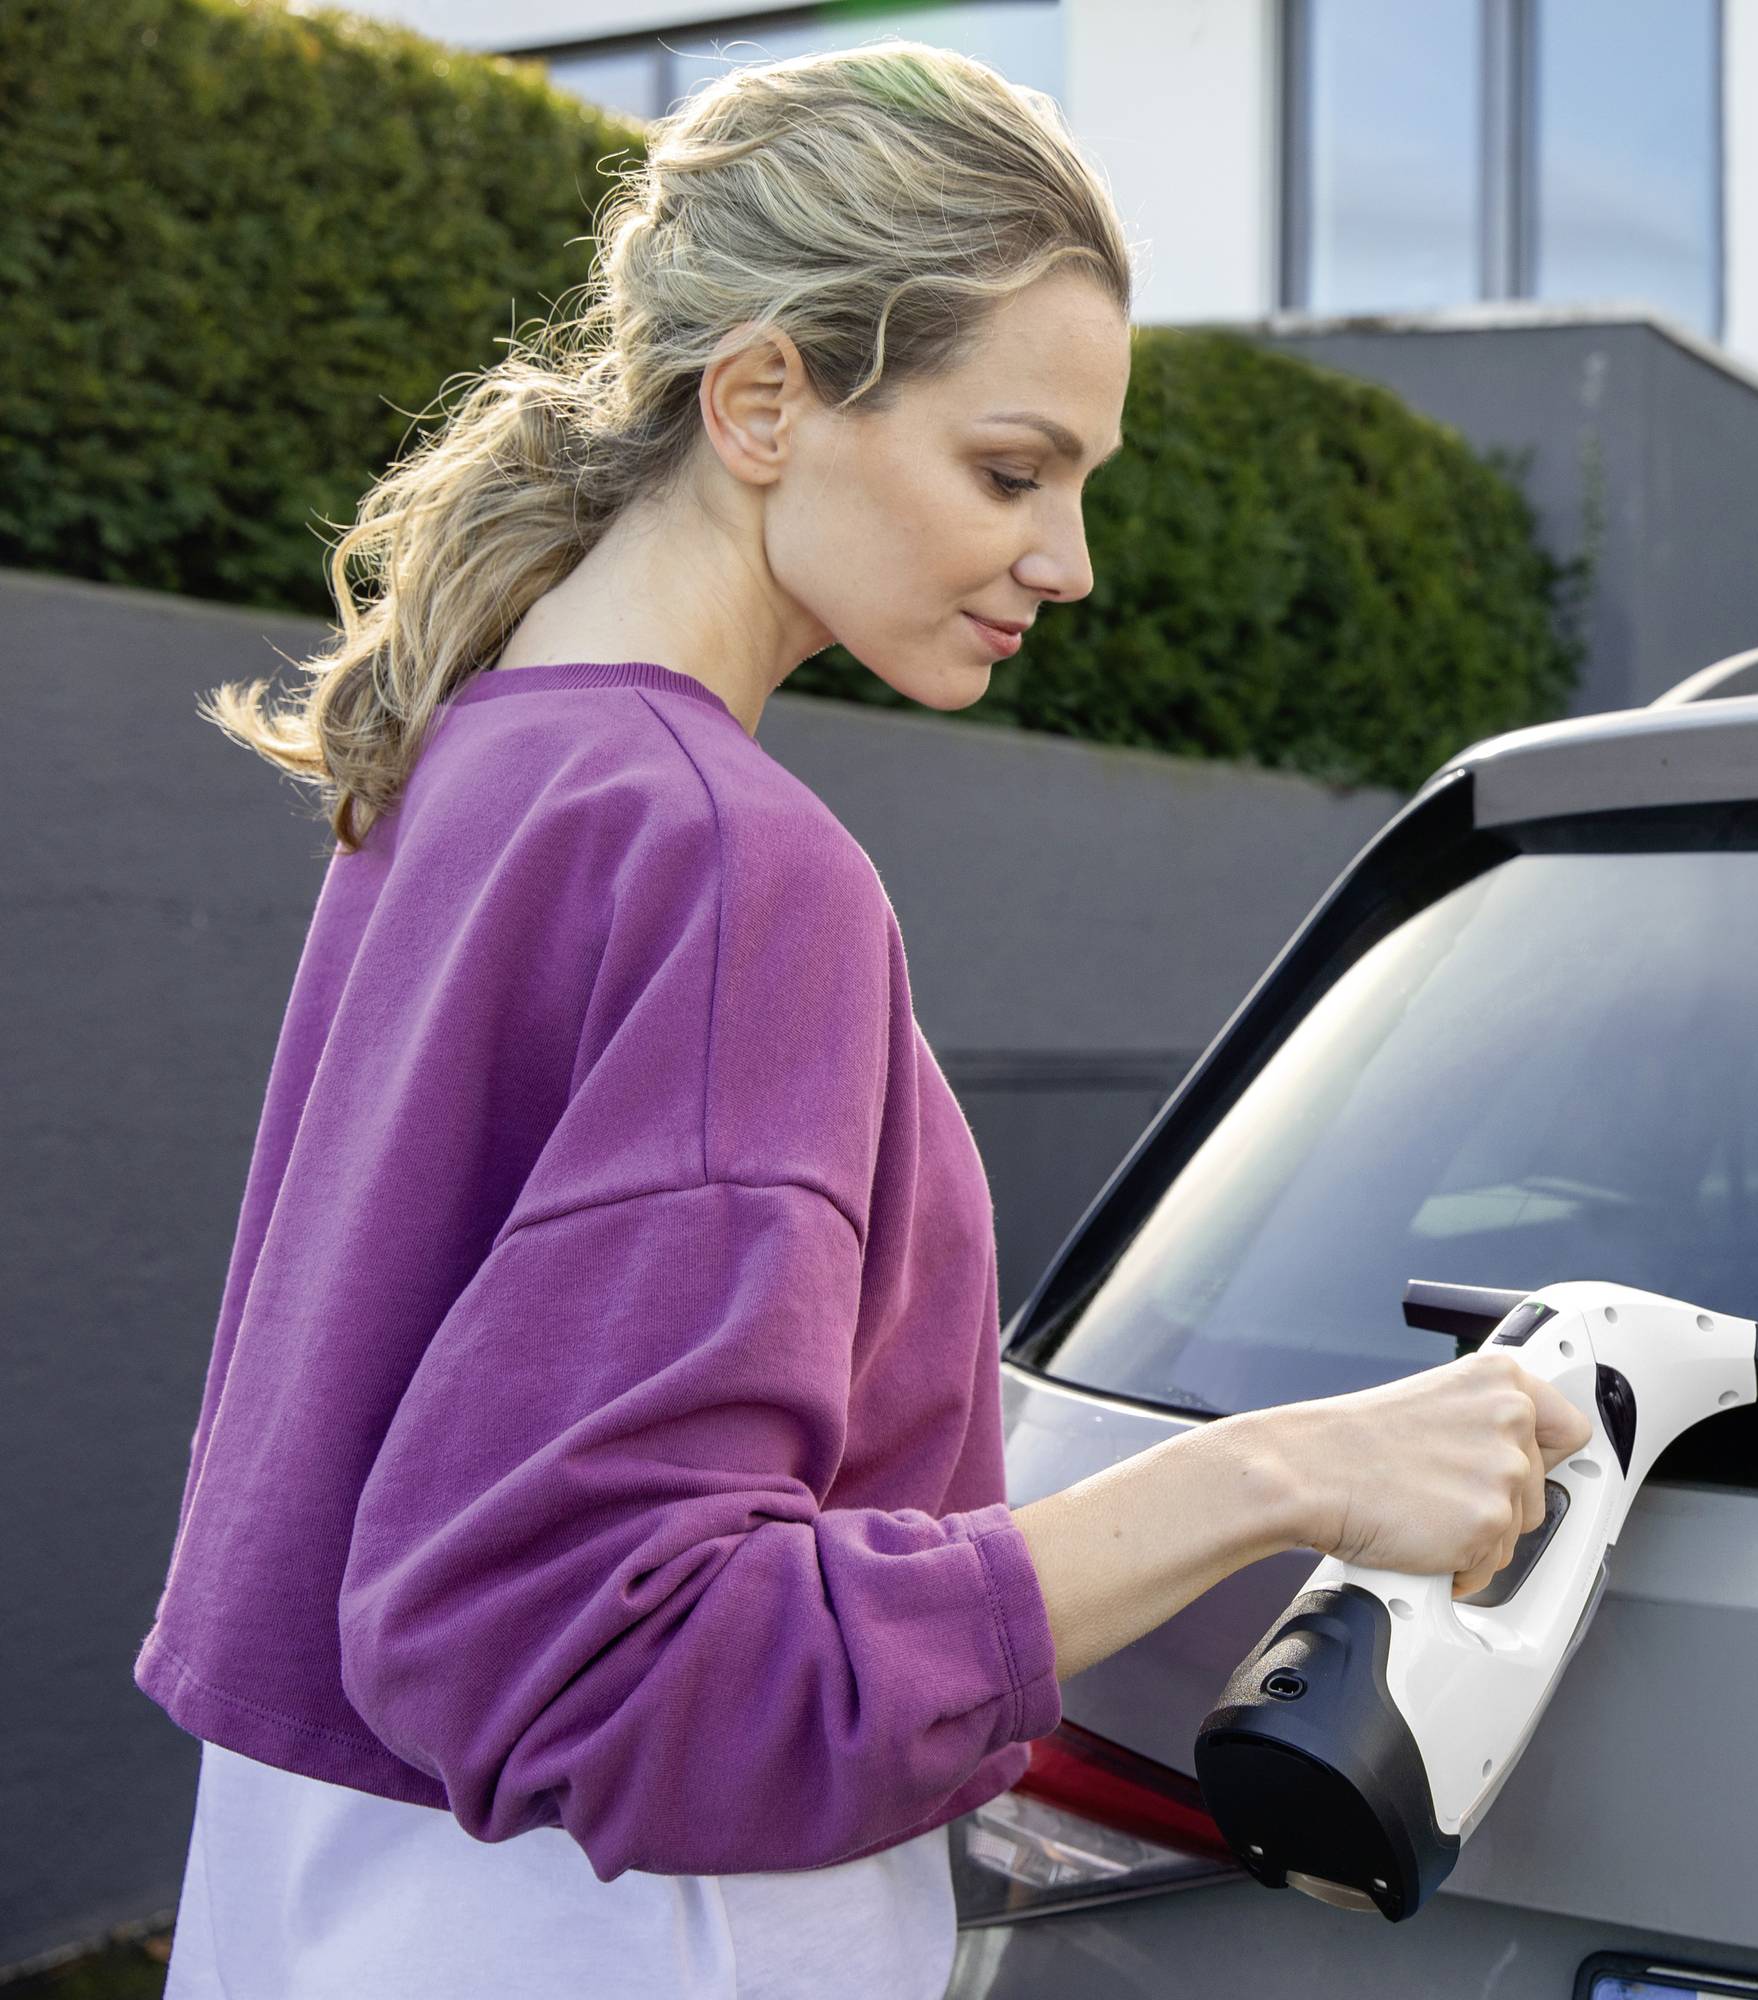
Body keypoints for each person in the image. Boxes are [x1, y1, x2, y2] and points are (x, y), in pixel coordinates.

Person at [137, 39, 1591, 2000]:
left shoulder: (456, 769)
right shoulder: (734, 863)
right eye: (1012, 470)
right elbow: (632, 1653)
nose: (1069, 562)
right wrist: (1286, 1471)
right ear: (761, 399)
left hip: (313, 1889)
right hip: (616, 1924)